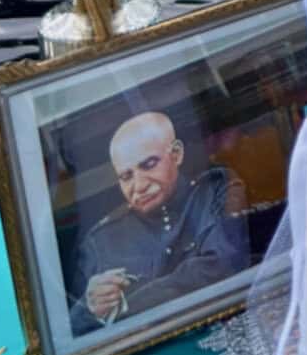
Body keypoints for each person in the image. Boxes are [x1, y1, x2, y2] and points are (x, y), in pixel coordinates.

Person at [70, 107, 248, 334]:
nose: (139, 185)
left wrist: (126, 305)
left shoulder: (215, 191)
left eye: (149, 164)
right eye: (126, 177)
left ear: (177, 154)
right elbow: (73, 332)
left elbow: (223, 267)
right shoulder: (100, 242)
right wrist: (91, 308)